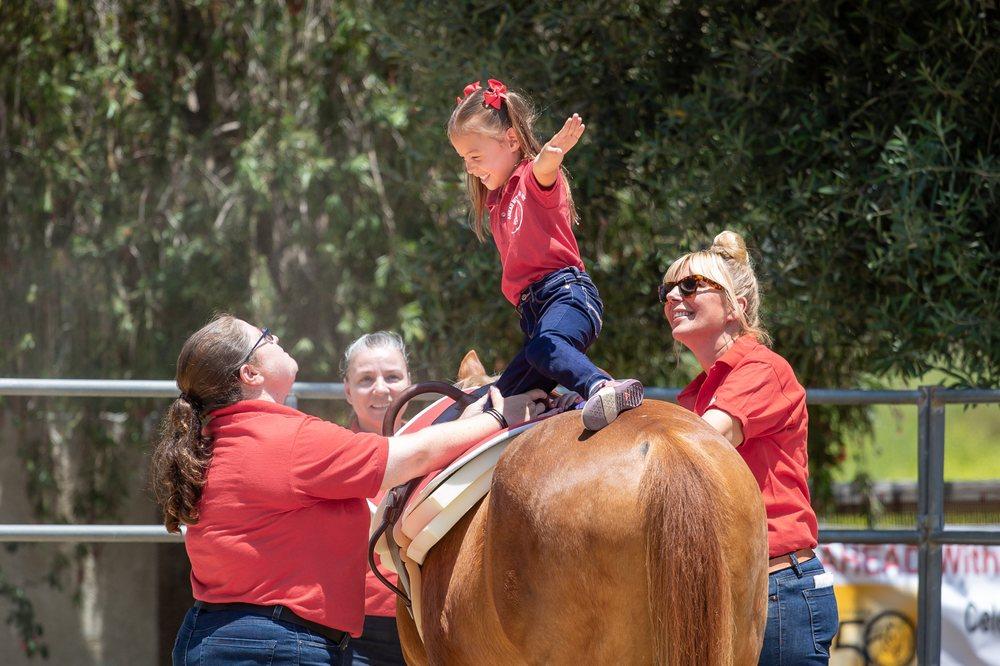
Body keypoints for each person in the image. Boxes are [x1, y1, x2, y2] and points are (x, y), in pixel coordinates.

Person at [150, 315, 546, 665]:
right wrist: (497, 418)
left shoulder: (210, 439)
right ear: (250, 374)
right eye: (265, 337)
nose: (275, 338)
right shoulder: (288, 440)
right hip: (278, 644)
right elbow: (404, 457)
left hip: (221, 635)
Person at [660, 231, 840, 664]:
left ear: (736, 307)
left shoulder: (762, 368)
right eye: (666, 291)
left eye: (689, 286)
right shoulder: (701, 392)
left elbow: (703, 445)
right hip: (746, 590)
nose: (672, 298)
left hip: (779, 591)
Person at [448, 77, 643, 431]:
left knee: (545, 347)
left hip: (566, 295)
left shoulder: (530, 180)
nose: (469, 168)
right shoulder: (497, 200)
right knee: (497, 400)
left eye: (475, 156)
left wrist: (550, 157)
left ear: (511, 140)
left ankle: (601, 386)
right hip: (535, 314)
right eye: (464, 159)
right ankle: (574, 397)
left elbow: (542, 173)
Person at [341, 331, 411, 665]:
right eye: (366, 379)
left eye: (393, 377)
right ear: (347, 390)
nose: (381, 389)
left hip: (427, 620)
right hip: (353, 631)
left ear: (411, 383)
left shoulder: (447, 445)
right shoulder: (327, 452)